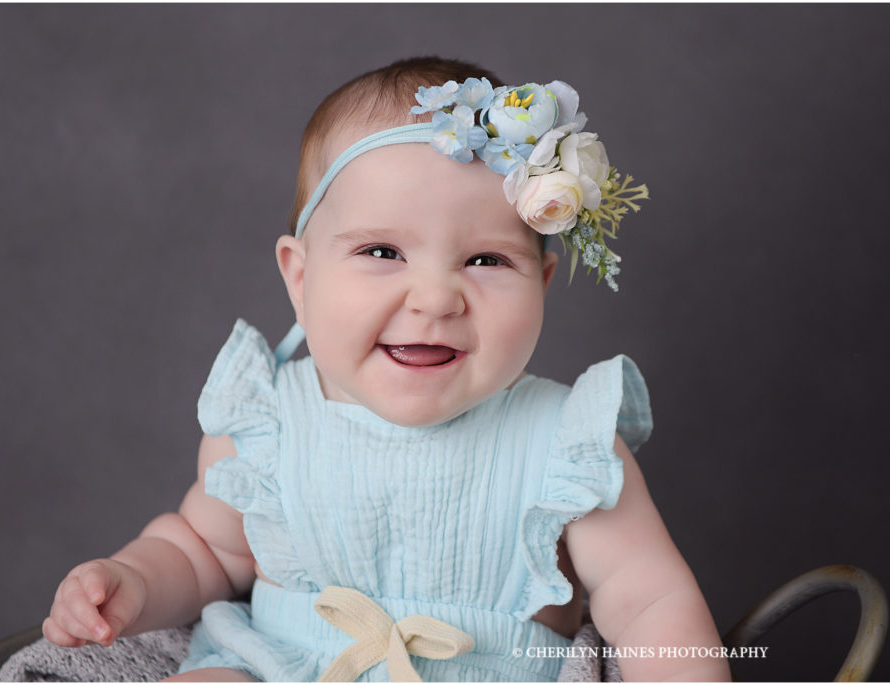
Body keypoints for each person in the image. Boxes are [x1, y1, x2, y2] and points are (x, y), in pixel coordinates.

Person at [43, 56, 731, 682]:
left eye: (486, 260)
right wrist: (129, 579)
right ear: (300, 278)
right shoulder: (267, 421)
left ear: (543, 281)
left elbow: (649, 603)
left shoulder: (566, 445)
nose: (435, 298)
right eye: (381, 251)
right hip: (286, 666)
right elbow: (204, 552)